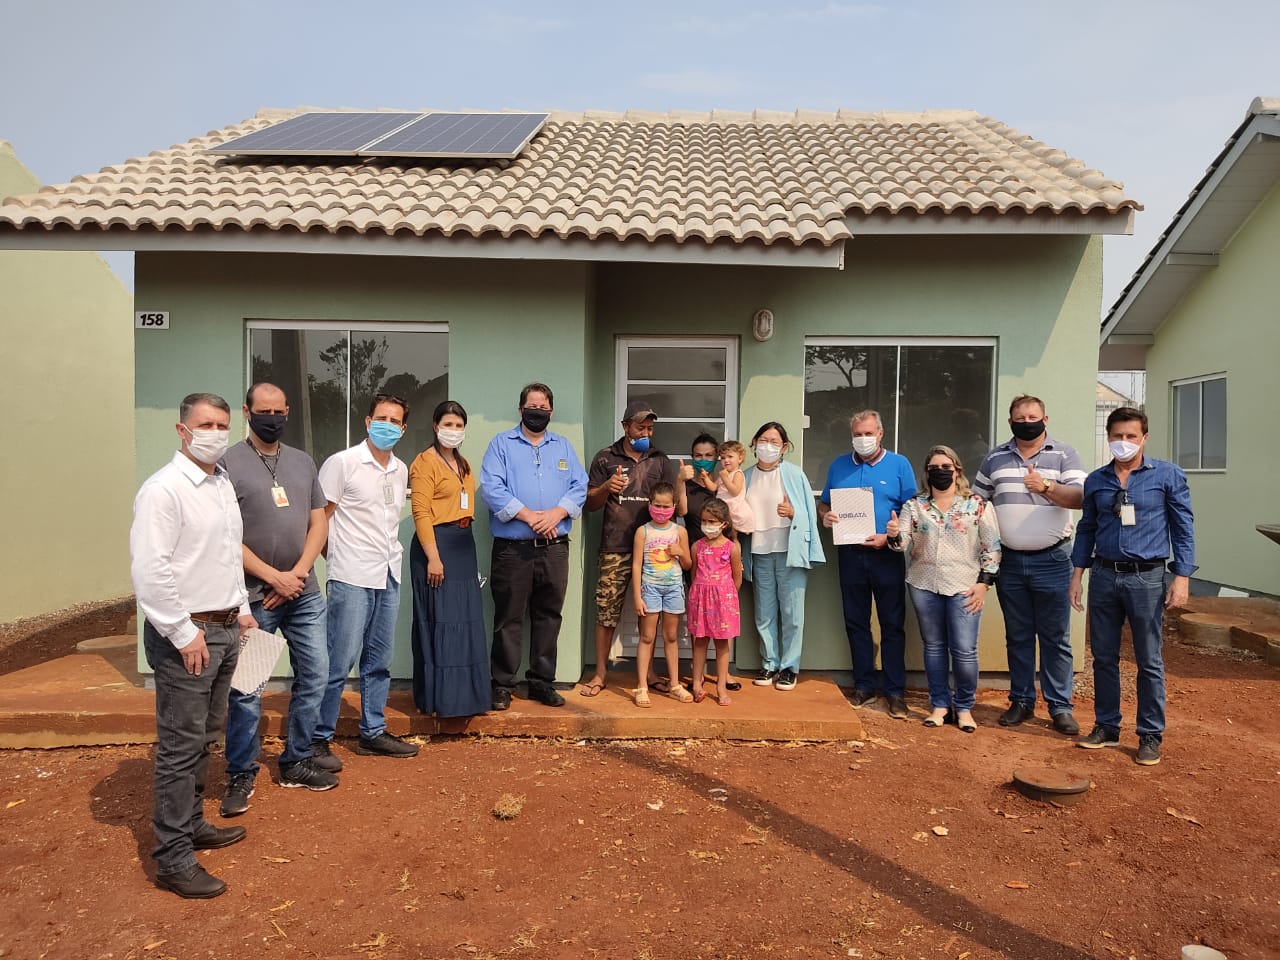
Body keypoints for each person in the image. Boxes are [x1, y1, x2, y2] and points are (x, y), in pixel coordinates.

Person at [130, 392, 256, 899]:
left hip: (225, 625)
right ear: (182, 430)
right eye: (205, 423)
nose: (215, 432)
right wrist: (184, 634)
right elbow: (150, 570)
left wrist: (242, 606)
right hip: (188, 635)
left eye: (223, 424)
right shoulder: (163, 490)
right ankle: (173, 858)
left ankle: (192, 824)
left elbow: (226, 555)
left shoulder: (221, 482)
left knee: (206, 735)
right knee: (181, 747)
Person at [221, 383, 336, 820]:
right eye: (263, 410)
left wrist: (298, 575)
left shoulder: (303, 462)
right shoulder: (229, 464)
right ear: (247, 412)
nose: (272, 417)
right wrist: (272, 577)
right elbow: (226, 536)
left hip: (303, 593)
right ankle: (240, 771)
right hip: (256, 598)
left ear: (287, 412)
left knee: (317, 674)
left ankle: (296, 759)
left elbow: (318, 523)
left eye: (279, 410)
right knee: (249, 687)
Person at [1070, 406, 1195, 767]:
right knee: (1103, 657)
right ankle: (1107, 727)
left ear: (1144, 438)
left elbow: (1183, 527)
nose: (1123, 443)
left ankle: (1150, 735)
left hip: (1148, 577)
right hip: (1105, 576)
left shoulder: (1168, 475)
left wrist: (1181, 577)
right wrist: (1077, 576)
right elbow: (1087, 529)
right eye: (1117, 436)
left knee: (1148, 660)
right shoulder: (1096, 480)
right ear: (1108, 437)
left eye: (1131, 436)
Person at [972, 395, 1087, 735]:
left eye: (1032, 416)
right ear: (1010, 422)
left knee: (1055, 637)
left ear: (1045, 419)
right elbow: (978, 500)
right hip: (1009, 562)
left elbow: (1081, 499)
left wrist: (1047, 486)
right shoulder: (995, 458)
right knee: (1018, 635)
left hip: (1052, 559)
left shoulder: (1065, 454)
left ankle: (1060, 707)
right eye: (1020, 417)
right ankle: (1021, 700)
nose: (1026, 421)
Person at [314, 393, 419, 759]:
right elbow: (319, 520)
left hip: (389, 573)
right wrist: (334, 558)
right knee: (338, 660)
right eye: (381, 418)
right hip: (351, 576)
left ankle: (372, 731)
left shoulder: (400, 469)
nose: (386, 426)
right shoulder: (342, 463)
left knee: (378, 661)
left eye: (395, 421)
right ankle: (318, 737)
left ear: (403, 428)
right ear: (367, 421)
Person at [479, 382, 588, 709]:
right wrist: (528, 516)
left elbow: (580, 486)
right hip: (513, 550)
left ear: (550, 411)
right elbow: (491, 487)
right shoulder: (501, 444)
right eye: (531, 406)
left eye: (542, 407)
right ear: (521, 409)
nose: (537, 411)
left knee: (548, 615)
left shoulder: (564, 447)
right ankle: (502, 684)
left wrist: (556, 513)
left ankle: (541, 682)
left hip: (554, 549)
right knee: (508, 617)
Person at [888, 446, 1000, 733]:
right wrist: (892, 534)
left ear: (957, 469)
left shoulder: (977, 505)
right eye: (934, 466)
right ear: (927, 473)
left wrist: (983, 585)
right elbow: (901, 543)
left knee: (964, 650)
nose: (940, 471)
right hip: (924, 584)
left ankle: (963, 707)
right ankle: (939, 704)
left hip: (965, 586)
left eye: (945, 466)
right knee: (935, 648)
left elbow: (992, 548)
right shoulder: (915, 506)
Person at [582, 400, 685, 696]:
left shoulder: (659, 459)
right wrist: (605, 488)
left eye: (650, 428)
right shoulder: (605, 458)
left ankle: (649, 673)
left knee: (648, 615)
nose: (646, 432)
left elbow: (671, 505)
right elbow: (589, 504)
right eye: (640, 426)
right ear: (625, 426)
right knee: (606, 613)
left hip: (655, 550)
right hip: (615, 547)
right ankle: (601, 674)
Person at [818, 410, 917, 717]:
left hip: (887, 554)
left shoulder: (899, 465)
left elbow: (912, 509)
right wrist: (826, 516)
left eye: (868, 433)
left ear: (880, 433)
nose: (863, 439)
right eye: (858, 434)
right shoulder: (839, 465)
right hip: (850, 554)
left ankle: (895, 691)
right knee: (855, 622)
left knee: (891, 624)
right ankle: (864, 686)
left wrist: (891, 535)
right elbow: (825, 503)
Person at [407, 400, 491, 718]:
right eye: (448, 424)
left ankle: (467, 698)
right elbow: (421, 512)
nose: (453, 431)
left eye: (458, 425)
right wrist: (433, 557)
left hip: (463, 545)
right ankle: (440, 700)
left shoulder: (464, 464)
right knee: (440, 620)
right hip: (437, 546)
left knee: (465, 620)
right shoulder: (424, 462)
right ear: (435, 426)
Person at [742, 422, 825, 691]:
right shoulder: (744, 477)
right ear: (754, 442)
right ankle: (769, 664)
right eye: (764, 439)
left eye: (775, 441)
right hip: (759, 552)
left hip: (790, 552)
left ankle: (789, 668)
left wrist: (793, 514)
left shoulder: (794, 474)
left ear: (784, 447)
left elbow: (810, 516)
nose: (768, 445)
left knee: (793, 614)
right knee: (764, 613)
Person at [631, 482, 694, 707]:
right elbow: (636, 565)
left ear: (674, 506)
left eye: (666, 506)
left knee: (671, 637)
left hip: (674, 588)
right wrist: (637, 596)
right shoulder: (643, 531)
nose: (661, 509)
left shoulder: (680, 531)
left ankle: (675, 684)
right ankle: (642, 686)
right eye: (657, 505)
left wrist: (680, 553)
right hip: (650, 589)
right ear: (649, 504)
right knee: (647, 637)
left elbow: (688, 564)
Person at [687, 498, 743, 706]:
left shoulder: (732, 548)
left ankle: (720, 687)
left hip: (724, 603)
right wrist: (702, 593)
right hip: (700, 600)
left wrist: (726, 597)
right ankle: (696, 684)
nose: (707, 526)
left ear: (724, 524)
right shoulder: (697, 546)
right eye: (704, 521)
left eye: (712, 521)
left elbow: (737, 577)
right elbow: (694, 575)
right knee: (700, 642)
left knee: (722, 645)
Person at [715, 440, 754, 534]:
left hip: (734, 509)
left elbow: (735, 491)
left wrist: (724, 477)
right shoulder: (722, 474)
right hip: (723, 509)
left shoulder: (738, 474)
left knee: (733, 536)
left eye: (730, 457)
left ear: (740, 459)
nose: (726, 460)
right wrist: (705, 478)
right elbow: (713, 487)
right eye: (723, 458)